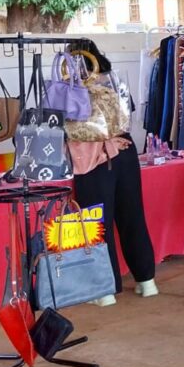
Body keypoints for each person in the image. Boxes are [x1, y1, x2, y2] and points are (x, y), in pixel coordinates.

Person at [67, 39, 157, 307]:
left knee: (96, 224)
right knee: (133, 218)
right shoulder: (113, 82)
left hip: (94, 160)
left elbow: (69, 128)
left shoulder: (72, 88)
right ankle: (147, 281)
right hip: (125, 152)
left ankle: (104, 291)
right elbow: (126, 117)